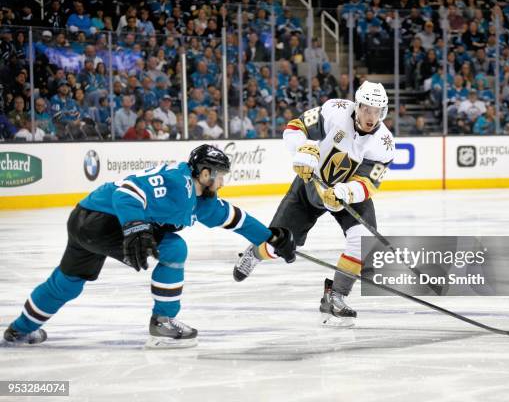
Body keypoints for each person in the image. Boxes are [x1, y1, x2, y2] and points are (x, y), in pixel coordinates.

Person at [3, 145, 296, 348]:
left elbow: (236, 219)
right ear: (205, 173)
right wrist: (135, 225)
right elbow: (127, 192)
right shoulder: (177, 181)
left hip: (83, 219)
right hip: (104, 220)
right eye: (219, 176)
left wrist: (270, 237)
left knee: (68, 283)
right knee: (174, 249)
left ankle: (20, 330)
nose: (222, 182)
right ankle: (163, 321)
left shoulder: (200, 200)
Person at [233, 81, 395, 327]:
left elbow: (369, 184)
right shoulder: (335, 110)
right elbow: (294, 127)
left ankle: (335, 296)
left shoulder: (384, 143)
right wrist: (303, 150)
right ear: (357, 105)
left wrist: (345, 192)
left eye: (376, 111)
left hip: (345, 192)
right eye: (366, 109)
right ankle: (254, 253)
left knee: (364, 238)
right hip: (311, 183)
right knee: (277, 244)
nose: (371, 116)